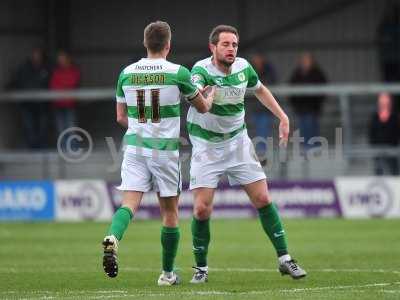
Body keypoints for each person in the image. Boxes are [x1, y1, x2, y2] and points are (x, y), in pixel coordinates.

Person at [187, 25, 306, 284]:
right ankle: (201, 269)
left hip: (237, 142)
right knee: (201, 209)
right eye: (226, 44)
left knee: (263, 198)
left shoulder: (243, 68)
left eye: (234, 45)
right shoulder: (200, 71)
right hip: (206, 146)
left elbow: (260, 89)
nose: (231, 49)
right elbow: (193, 94)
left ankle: (285, 259)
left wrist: (283, 116)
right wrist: (203, 99)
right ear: (213, 47)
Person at [102, 21, 215, 286]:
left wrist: (142, 129)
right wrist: (209, 95)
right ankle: (167, 274)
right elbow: (202, 108)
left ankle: (112, 238)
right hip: (164, 150)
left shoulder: (126, 73)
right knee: (170, 212)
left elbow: (120, 117)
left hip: (134, 147)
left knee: (129, 204)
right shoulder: (178, 72)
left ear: (145, 43)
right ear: (168, 45)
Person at [6, 48, 49, 149]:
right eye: (34, 55)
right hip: (27, 104)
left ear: (41, 56)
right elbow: (17, 80)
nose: (36, 57)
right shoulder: (24, 68)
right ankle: (33, 149)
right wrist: (9, 87)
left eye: (38, 55)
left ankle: (42, 149)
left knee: (42, 128)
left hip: (42, 105)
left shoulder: (47, 68)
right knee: (29, 128)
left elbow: (50, 83)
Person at [289, 52, 327, 147]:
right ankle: (305, 150)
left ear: (312, 61)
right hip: (300, 108)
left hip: (312, 107)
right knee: (302, 129)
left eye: (307, 60)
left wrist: (318, 102)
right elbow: (290, 88)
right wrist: (294, 103)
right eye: (303, 60)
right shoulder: (296, 73)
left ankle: (314, 149)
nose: (305, 62)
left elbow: (324, 88)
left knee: (312, 128)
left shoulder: (317, 73)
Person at [49, 50, 81, 147]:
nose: (61, 61)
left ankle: (73, 150)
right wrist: (63, 87)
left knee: (71, 128)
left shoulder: (74, 71)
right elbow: (53, 85)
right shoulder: (56, 72)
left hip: (70, 104)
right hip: (58, 104)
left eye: (63, 59)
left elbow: (72, 83)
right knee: (61, 129)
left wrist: (62, 86)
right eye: (59, 59)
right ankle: (62, 151)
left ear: (68, 59)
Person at [249, 53, 278, 153]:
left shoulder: (269, 71)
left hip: (265, 108)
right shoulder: (250, 70)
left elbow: (264, 88)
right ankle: (256, 152)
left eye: (257, 58)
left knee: (263, 128)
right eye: (254, 58)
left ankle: (262, 152)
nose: (255, 60)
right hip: (253, 107)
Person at [369, 92, 400, 175]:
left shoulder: (394, 117)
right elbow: (371, 133)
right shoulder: (375, 117)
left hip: (392, 150)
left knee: (394, 172)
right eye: (382, 102)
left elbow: (396, 133)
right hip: (378, 149)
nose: (384, 104)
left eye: (386, 102)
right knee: (379, 172)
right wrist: (375, 147)